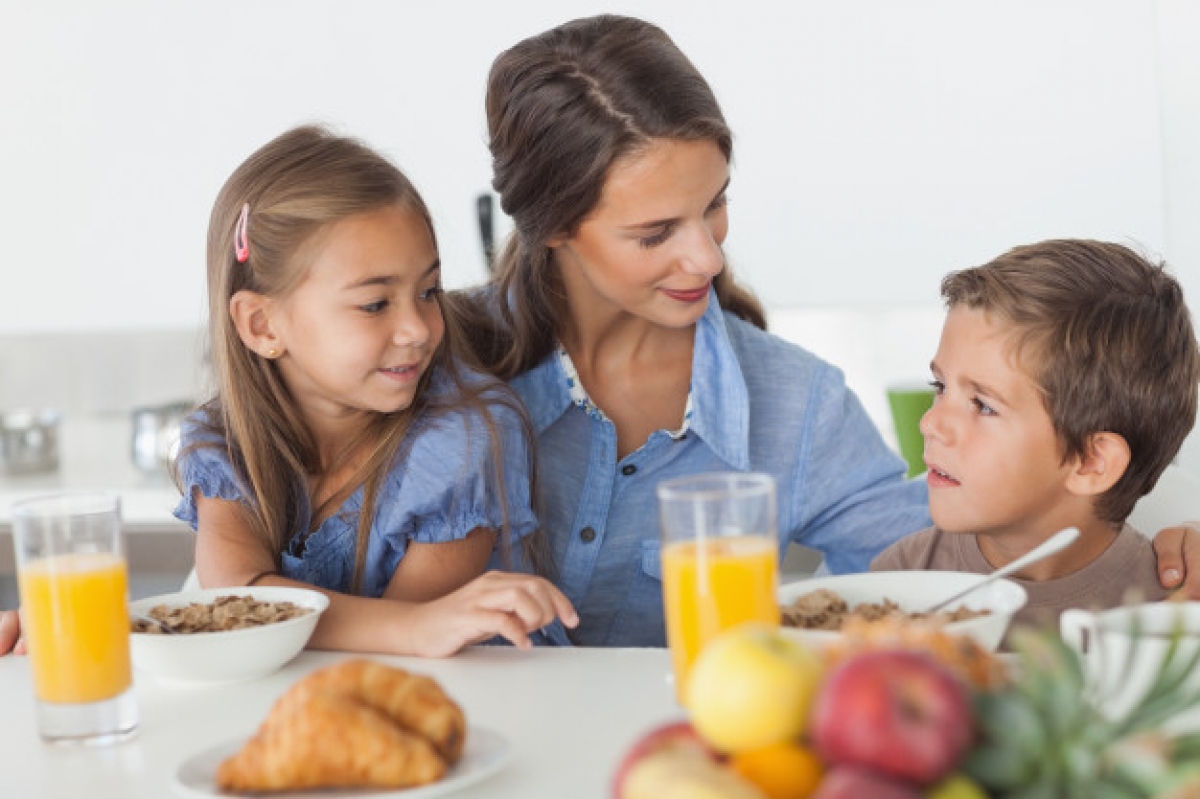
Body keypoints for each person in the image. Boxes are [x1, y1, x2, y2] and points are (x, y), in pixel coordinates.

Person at [450, 13, 1200, 647]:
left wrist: (1154, 549)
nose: (707, 255)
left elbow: (967, 556)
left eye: (714, 204)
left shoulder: (797, 404)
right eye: (655, 232)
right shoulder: (430, 364)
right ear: (552, 226)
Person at [1, 125, 577, 659]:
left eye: (428, 291)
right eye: (375, 303)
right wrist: (96, 628)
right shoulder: (223, 446)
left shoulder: (466, 434)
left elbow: (403, 638)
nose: (419, 328)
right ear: (262, 326)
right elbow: (240, 599)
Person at [872, 240, 1199, 628]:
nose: (930, 423)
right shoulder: (896, 586)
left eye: (983, 405)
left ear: (1091, 462)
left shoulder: (1176, 611)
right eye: (940, 386)